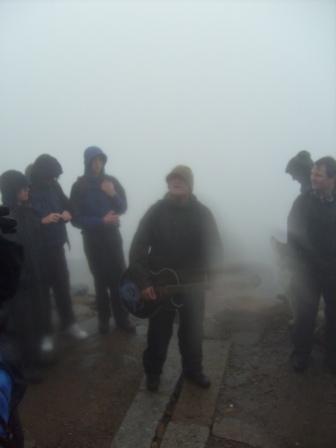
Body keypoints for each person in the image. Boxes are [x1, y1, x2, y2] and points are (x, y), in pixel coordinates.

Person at [129, 165, 223, 391]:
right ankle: (153, 373)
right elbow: (138, 249)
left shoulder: (203, 213)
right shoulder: (156, 212)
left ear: (189, 184)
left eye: (180, 179)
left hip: (193, 284)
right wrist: (143, 282)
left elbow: (214, 249)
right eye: (171, 179)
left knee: (192, 331)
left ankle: (193, 370)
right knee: (158, 333)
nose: (175, 182)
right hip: (161, 284)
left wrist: (214, 277)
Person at [70, 146, 134, 334]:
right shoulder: (79, 186)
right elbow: (75, 218)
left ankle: (122, 319)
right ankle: (104, 320)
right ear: (87, 162)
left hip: (113, 237)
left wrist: (112, 193)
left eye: (100, 160)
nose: (97, 164)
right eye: (94, 160)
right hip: (92, 239)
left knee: (119, 278)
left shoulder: (111, 182)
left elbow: (123, 207)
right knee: (100, 280)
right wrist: (100, 221)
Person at [30, 154, 87, 353]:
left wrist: (68, 214)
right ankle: (45, 333)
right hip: (37, 251)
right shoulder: (27, 189)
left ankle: (69, 324)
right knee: (42, 293)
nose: (52, 180)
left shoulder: (54, 186)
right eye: (49, 177)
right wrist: (41, 221)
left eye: (54, 177)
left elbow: (69, 205)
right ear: (40, 174)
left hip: (57, 246)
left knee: (62, 286)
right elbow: (19, 218)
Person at [288, 156, 336, 372]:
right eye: (312, 174)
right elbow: (294, 236)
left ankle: (332, 357)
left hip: (333, 271)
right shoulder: (302, 202)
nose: (313, 178)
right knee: (305, 314)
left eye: (319, 174)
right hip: (308, 271)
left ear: (332, 179)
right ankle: (301, 355)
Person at [0, 170, 45, 382]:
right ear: (13, 190)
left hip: (33, 278)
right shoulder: (7, 218)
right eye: (23, 187)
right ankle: (25, 367)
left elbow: (34, 247)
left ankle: (35, 358)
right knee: (21, 325)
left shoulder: (27, 213)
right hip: (17, 284)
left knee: (34, 320)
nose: (28, 190)